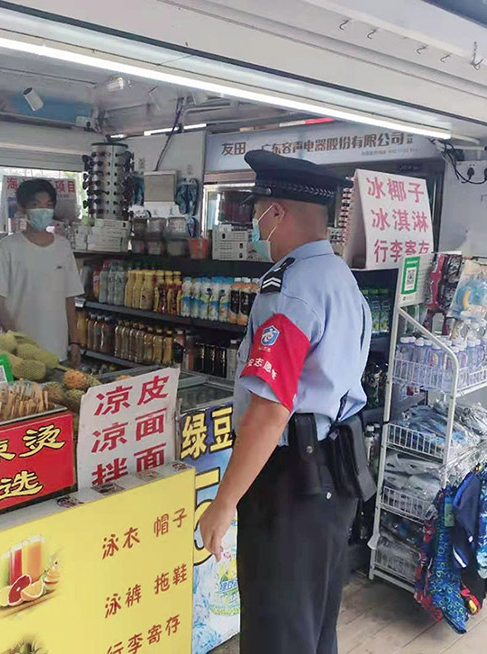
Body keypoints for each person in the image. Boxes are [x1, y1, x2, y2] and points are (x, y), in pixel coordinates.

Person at [197, 150, 373, 654]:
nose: (254, 224)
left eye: (257, 212)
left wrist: (224, 503)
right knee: (315, 624)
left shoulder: (290, 290)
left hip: (291, 481)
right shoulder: (339, 277)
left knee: (277, 630)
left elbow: (271, 411)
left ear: (276, 212)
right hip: (333, 475)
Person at [0, 179, 83, 367]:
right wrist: (18, 341)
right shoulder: (7, 247)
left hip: (57, 350)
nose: (43, 211)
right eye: (36, 205)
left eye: (48, 205)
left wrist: (75, 342)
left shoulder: (63, 247)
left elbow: (69, 299)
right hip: (20, 353)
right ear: (22, 208)